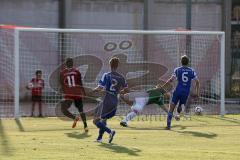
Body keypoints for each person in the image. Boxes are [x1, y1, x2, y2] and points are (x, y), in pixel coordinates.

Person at [92, 57, 128, 143]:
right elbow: (127, 90)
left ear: (110, 65)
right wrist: (119, 91)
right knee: (104, 120)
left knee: (95, 120)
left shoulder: (106, 75)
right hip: (115, 102)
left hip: (106, 100)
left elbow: (100, 87)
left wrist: (93, 90)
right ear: (117, 65)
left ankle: (110, 132)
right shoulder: (121, 77)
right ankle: (99, 138)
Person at [163, 55, 200, 130]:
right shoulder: (191, 71)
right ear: (188, 62)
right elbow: (197, 82)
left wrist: (163, 86)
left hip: (177, 91)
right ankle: (179, 109)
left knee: (171, 108)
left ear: (181, 62)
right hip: (185, 93)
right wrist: (197, 93)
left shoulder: (177, 70)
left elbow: (171, 80)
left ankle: (168, 126)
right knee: (180, 106)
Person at [60, 57, 88, 132]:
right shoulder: (77, 71)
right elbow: (80, 83)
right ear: (72, 63)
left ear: (66, 64)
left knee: (63, 109)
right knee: (81, 110)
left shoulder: (62, 73)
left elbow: (62, 85)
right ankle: (85, 126)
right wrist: (84, 93)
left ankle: (75, 118)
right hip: (77, 94)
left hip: (69, 94)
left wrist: (63, 93)